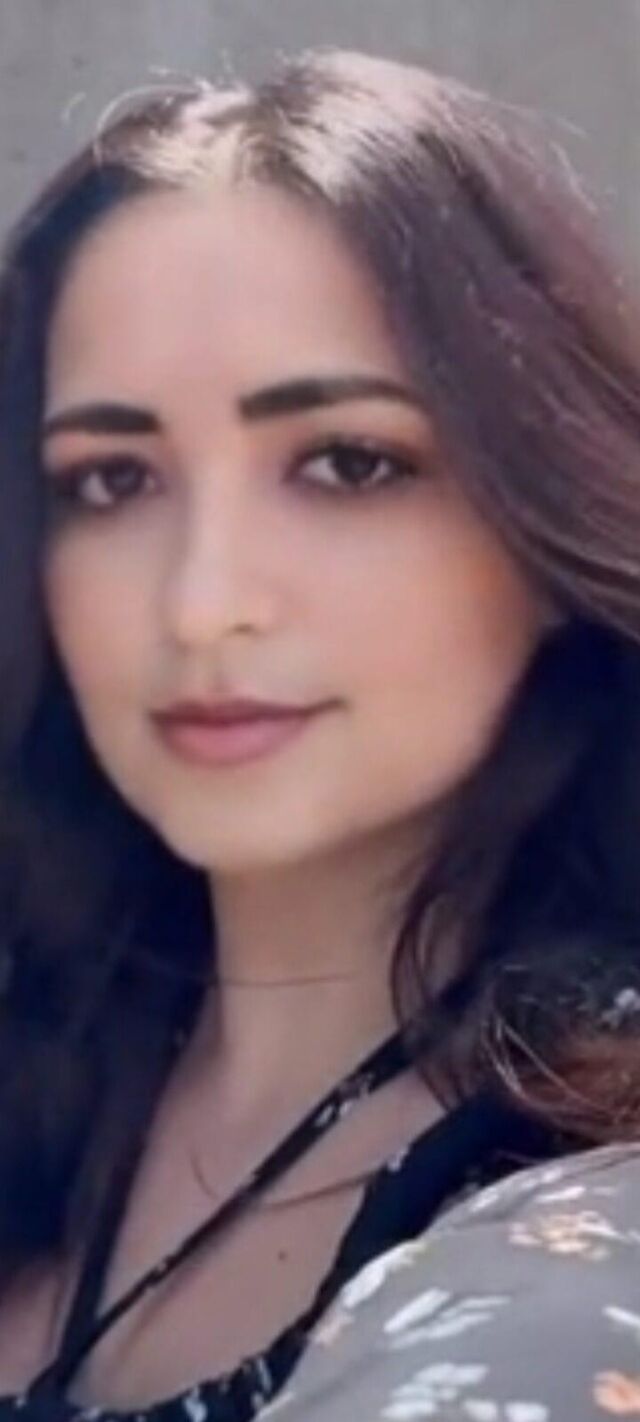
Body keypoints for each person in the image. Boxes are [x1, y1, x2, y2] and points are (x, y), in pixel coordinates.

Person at [0, 45, 638, 1422]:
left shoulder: (589, 1231)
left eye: (349, 463)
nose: (203, 601)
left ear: (541, 520)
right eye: (110, 480)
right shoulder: (49, 1046)